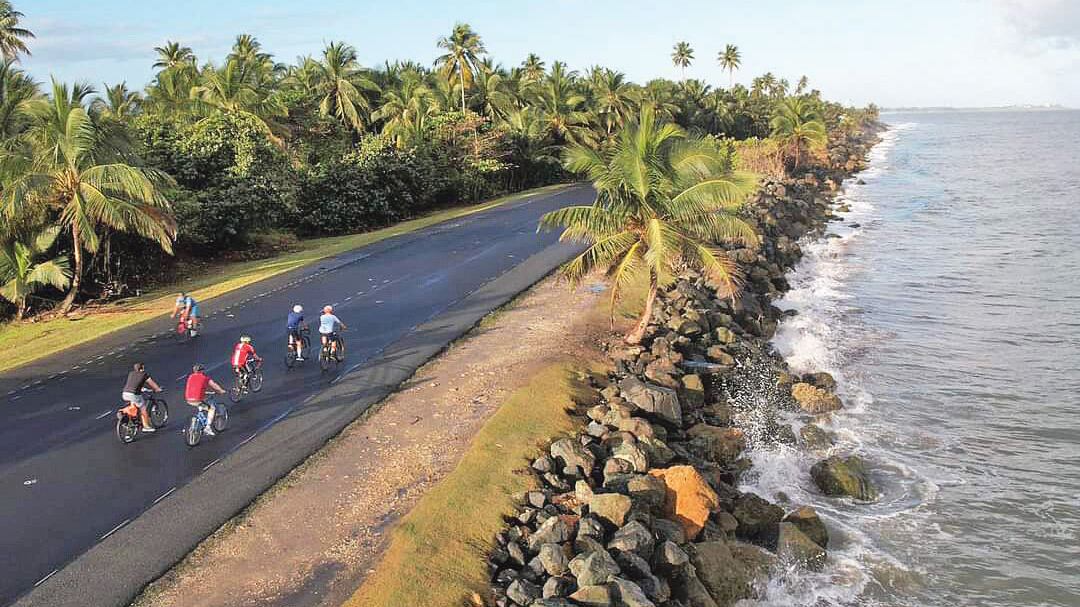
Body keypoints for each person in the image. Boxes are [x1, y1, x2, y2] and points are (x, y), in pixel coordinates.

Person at [184, 363, 226, 436]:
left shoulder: (190, 377)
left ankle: (198, 419)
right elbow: (214, 385)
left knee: (201, 403)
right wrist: (221, 391)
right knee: (211, 408)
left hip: (188, 398)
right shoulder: (204, 378)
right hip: (197, 399)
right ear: (201, 371)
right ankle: (208, 427)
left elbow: (196, 387)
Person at [121, 362, 163, 431]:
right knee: (143, 408)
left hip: (125, 393)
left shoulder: (131, 373)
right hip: (134, 395)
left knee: (134, 405)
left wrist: (142, 388)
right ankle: (146, 427)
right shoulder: (144, 374)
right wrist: (157, 389)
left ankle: (132, 420)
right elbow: (151, 383)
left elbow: (133, 383)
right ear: (142, 368)